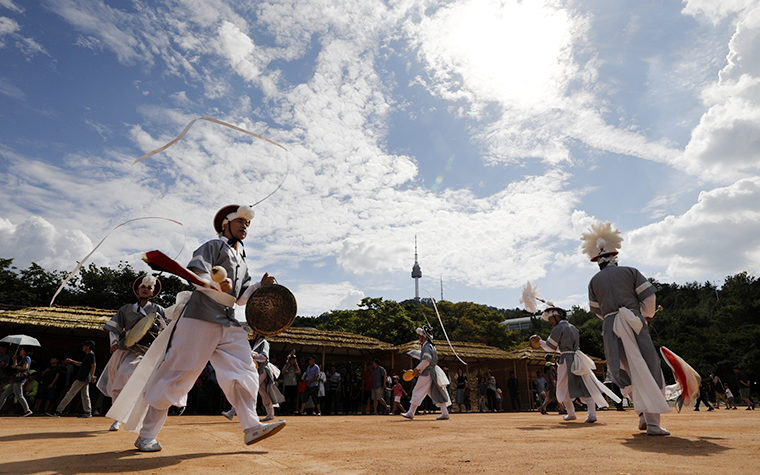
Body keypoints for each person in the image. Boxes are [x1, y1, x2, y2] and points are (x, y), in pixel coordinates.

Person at [132, 204, 285, 451]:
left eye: (248, 223)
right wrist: (212, 284)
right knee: (178, 374)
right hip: (199, 317)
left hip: (228, 320)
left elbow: (242, 297)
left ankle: (251, 426)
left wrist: (260, 286)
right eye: (240, 222)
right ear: (225, 224)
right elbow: (196, 271)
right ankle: (146, 435)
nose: (245, 226)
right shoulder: (213, 246)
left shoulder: (242, 261)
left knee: (244, 370)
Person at [583, 221, 671, 435]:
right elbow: (649, 297)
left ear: (598, 261)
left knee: (623, 368)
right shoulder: (631, 271)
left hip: (611, 326)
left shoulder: (593, 282)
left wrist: (612, 318)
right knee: (647, 367)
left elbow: (597, 311)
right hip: (633, 322)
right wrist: (644, 314)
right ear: (615, 257)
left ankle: (641, 413)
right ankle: (653, 423)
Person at [100, 274, 167, 431]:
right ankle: (118, 417)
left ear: (153, 292)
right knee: (116, 385)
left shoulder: (158, 309)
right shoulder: (125, 309)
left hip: (144, 351)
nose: (145, 289)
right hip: (124, 348)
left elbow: (167, 329)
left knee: (124, 375)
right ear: (137, 290)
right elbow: (114, 327)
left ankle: (129, 415)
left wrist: (158, 320)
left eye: (149, 288)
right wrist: (114, 342)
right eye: (142, 287)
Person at [530, 305, 618, 423]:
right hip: (577, 358)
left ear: (556, 316)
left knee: (562, 387)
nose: (550, 322)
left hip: (567, 360)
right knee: (584, 385)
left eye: (550, 319)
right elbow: (562, 348)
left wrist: (539, 341)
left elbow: (551, 347)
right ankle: (592, 414)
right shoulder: (573, 328)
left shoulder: (558, 328)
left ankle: (571, 413)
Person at [402, 326, 451, 420]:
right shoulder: (430, 346)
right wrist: (419, 370)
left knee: (417, 390)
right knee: (436, 392)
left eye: (420, 336)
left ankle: (411, 413)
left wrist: (417, 369)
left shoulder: (427, 346)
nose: (419, 338)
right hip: (431, 372)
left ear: (424, 337)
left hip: (427, 372)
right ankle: (445, 413)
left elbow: (426, 361)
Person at [50, 340, 97, 418]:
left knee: (70, 394)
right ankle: (88, 412)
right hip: (84, 378)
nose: (83, 347)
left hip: (82, 378)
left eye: (84, 345)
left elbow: (94, 365)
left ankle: (58, 411)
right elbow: (82, 364)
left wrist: (92, 375)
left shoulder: (90, 355)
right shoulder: (89, 355)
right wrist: (72, 361)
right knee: (85, 396)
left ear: (88, 346)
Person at [0, 346, 33, 417]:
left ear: (25, 351)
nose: (20, 351)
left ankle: (27, 410)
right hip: (15, 380)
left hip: (19, 380)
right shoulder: (22, 359)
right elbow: (15, 366)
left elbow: (25, 367)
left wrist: (15, 366)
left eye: (22, 350)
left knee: (19, 396)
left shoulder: (27, 358)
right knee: (4, 395)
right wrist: (14, 360)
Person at [281, 350, 301, 415]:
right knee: (286, 398)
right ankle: (285, 410)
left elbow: (299, 373)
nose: (293, 362)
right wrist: (288, 366)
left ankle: (292, 410)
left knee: (293, 399)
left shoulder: (295, 367)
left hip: (293, 384)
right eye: (292, 360)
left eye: (294, 360)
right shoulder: (286, 365)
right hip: (287, 384)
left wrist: (296, 365)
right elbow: (283, 373)